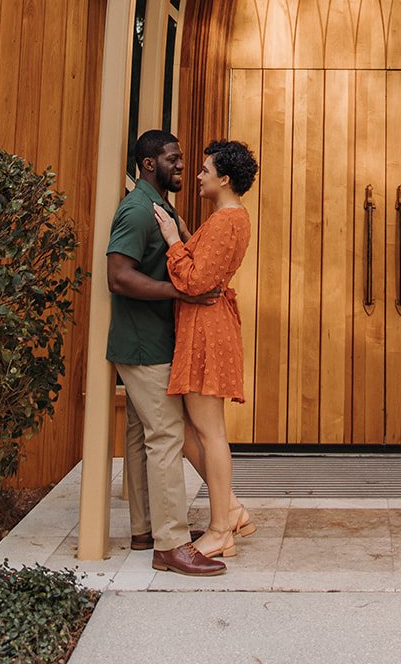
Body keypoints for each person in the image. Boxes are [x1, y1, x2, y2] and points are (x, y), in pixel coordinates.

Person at [106, 128, 226, 577]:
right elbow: (118, 277)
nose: (182, 165)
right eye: (174, 158)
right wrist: (181, 294)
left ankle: (146, 530)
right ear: (149, 163)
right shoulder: (137, 211)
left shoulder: (159, 205)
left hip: (151, 341)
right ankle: (171, 544)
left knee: (141, 436)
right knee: (167, 437)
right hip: (142, 346)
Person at [152, 138, 258, 561]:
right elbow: (209, 265)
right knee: (191, 429)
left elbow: (195, 281)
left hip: (206, 329)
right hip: (209, 325)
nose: (197, 176)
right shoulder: (231, 218)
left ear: (225, 178)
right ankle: (231, 511)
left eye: (205, 170)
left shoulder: (226, 220)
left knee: (208, 432)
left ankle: (220, 530)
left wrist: (171, 240)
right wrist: (184, 233)